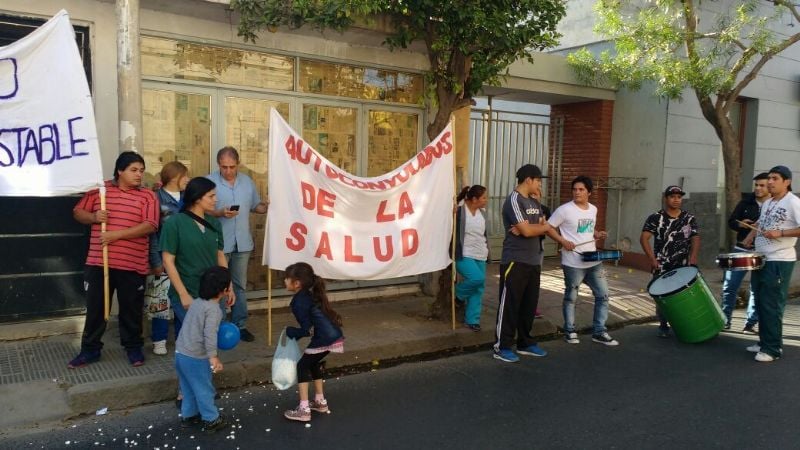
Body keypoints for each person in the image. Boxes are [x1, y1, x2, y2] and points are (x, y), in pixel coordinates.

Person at [68, 152, 159, 369]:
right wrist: (94, 217)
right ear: (120, 170)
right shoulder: (100, 190)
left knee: (131, 310)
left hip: (132, 264)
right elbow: (78, 212)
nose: (139, 175)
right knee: (96, 309)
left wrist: (115, 235)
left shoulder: (148, 196)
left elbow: (150, 225)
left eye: (141, 170)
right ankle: (90, 350)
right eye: (134, 170)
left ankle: (133, 348)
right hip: (99, 263)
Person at [547, 176, 619, 346]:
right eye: (574, 189)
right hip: (573, 262)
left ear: (589, 192)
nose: (577, 192)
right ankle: (570, 331)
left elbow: (587, 228)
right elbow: (548, 227)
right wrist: (562, 241)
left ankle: (599, 331)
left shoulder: (593, 209)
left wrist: (596, 233)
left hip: (593, 261)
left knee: (603, 295)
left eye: (581, 189)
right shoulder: (564, 210)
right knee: (571, 297)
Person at [207, 147, 268, 343]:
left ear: (238, 164)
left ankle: (240, 325)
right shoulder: (209, 182)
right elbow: (200, 210)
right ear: (218, 165)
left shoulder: (247, 182)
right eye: (224, 167)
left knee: (240, 286)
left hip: (242, 243)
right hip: (219, 244)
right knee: (220, 287)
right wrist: (219, 213)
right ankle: (220, 326)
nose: (228, 171)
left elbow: (256, 206)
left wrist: (267, 206)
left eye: (232, 167)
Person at [493, 164, 552, 363]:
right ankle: (502, 346)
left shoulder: (534, 201)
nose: (539, 185)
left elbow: (543, 225)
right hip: (515, 260)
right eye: (538, 181)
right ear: (528, 180)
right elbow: (528, 231)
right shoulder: (514, 200)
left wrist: (534, 227)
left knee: (529, 304)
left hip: (534, 260)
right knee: (510, 304)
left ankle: (525, 342)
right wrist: (534, 228)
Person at [742, 165, 800, 362]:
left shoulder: (793, 202)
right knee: (760, 301)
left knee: (771, 304)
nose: (770, 182)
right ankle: (764, 342)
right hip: (762, 258)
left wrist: (781, 233)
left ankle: (773, 349)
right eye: (769, 178)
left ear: (787, 182)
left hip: (779, 260)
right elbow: (760, 223)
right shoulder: (768, 202)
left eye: (775, 178)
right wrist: (750, 236)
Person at [161, 177, 233, 334]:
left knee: (212, 336)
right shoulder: (175, 223)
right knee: (195, 337)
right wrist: (183, 294)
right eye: (211, 196)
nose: (216, 200)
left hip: (214, 291)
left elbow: (220, 255)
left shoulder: (214, 223)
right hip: (188, 290)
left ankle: (211, 360)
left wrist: (229, 286)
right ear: (197, 197)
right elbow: (168, 261)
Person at [283, 262, 344, 422]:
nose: (284, 281)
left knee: (302, 366)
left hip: (324, 338)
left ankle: (304, 410)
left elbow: (306, 329)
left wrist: (290, 331)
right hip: (334, 336)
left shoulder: (299, 301)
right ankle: (320, 401)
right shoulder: (309, 295)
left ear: (297, 283)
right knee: (313, 363)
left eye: (287, 278)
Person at [175, 266, 230, 433]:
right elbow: (210, 334)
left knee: (188, 387)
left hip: (180, 353)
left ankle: (189, 415)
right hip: (196, 357)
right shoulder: (214, 310)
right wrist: (213, 357)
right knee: (203, 388)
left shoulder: (196, 303)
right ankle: (211, 419)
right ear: (224, 290)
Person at [640, 185, 700, 338]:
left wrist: (693, 257)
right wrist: (652, 259)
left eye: (679, 197)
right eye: (672, 196)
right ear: (666, 198)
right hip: (662, 264)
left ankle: (683, 323)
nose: (676, 199)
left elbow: (695, 238)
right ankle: (663, 325)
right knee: (663, 297)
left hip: (683, 264)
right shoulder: (655, 218)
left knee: (684, 295)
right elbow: (644, 239)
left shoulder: (689, 218)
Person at [148, 161, 190, 355]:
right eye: (185, 176)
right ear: (174, 178)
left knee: (183, 298)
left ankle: (182, 339)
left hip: (184, 258)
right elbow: (152, 233)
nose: (188, 180)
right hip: (163, 255)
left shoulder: (188, 198)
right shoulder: (156, 198)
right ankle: (159, 339)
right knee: (161, 299)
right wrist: (156, 261)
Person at [720, 172, 769, 333]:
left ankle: (750, 324)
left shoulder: (774, 205)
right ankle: (725, 320)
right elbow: (732, 221)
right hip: (742, 249)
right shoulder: (746, 202)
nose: (758, 188)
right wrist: (743, 225)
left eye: (762, 185)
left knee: (756, 289)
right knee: (730, 286)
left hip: (762, 252)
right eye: (756, 185)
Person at [454, 185, 490, 332]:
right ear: (474, 199)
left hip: (481, 253)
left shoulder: (483, 213)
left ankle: (472, 320)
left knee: (478, 289)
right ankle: (457, 295)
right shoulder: (459, 211)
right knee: (477, 279)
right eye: (484, 198)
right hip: (464, 253)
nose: (486, 200)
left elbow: (484, 235)